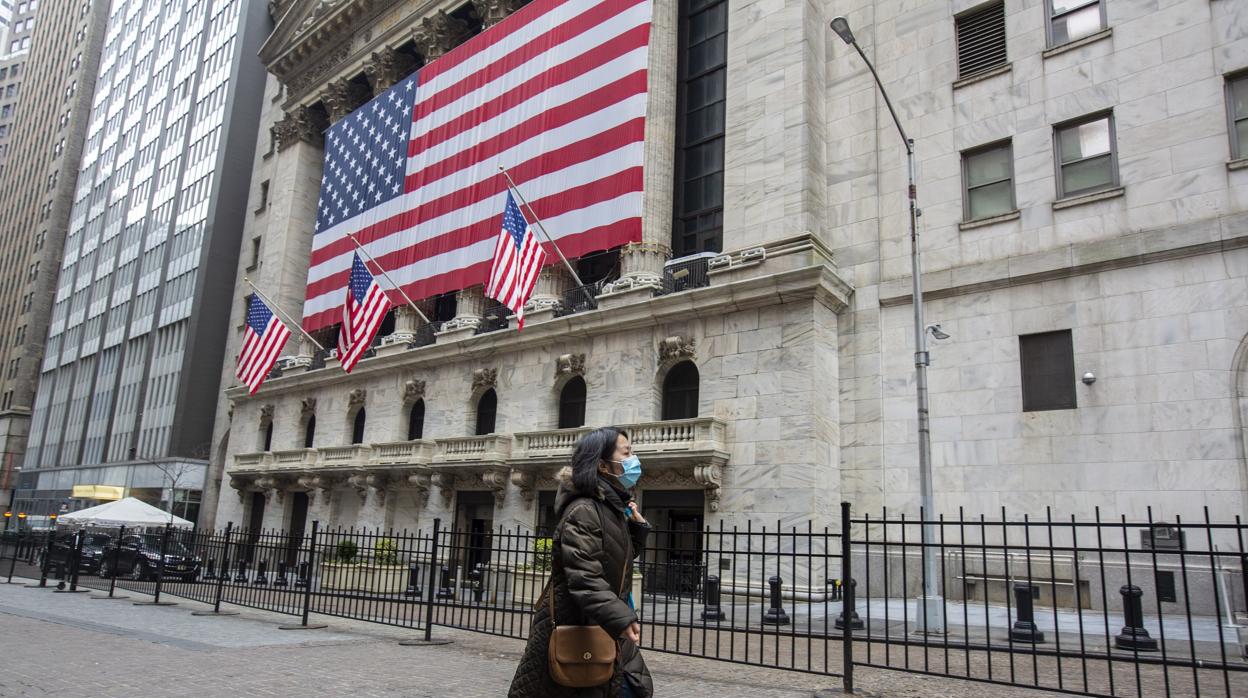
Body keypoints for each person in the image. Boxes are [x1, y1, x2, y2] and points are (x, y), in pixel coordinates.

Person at [509, 426, 653, 697]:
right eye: (627, 453)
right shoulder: (584, 510)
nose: (634, 459)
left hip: (599, 624)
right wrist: (621, 617)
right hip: (580, 626)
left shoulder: (609, 507)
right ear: (602, 464)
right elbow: (585, 575)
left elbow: (612, 559)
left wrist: (637, 527)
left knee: (630, 687)